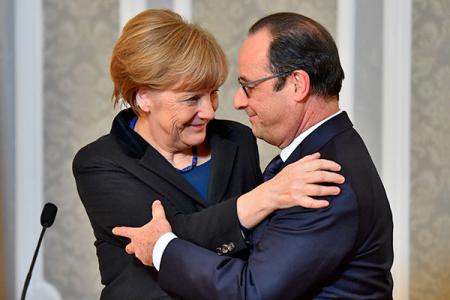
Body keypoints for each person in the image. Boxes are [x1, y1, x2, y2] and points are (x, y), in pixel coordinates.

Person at [113, 12, 394, 299]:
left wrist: (161, 247)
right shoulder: (320, 156)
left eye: (249, 86)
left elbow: (253, 292)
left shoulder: (324, 176)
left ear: (297, 84)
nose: (237, 102)